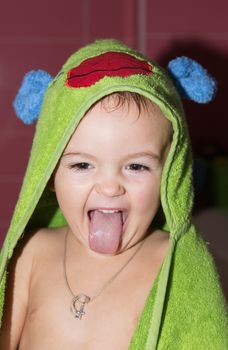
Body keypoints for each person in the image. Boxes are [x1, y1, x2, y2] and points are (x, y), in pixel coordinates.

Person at [0, 39, 227, 349]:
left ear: (169, 174)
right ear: (51, 172)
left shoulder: (174, 263)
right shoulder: (33, 253)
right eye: (82, 164)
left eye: (136, 166)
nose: (109, 187)